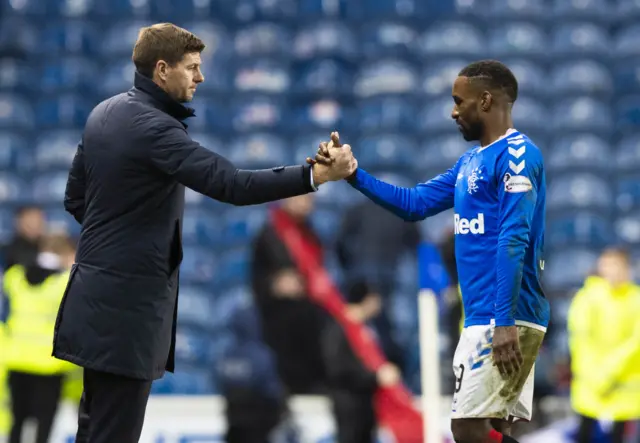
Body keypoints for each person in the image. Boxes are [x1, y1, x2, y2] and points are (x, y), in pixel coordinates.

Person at [51, 23, 356, 443]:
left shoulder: (103, 113)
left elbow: (75, 199)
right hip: (127, 312)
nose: (201, 77)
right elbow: (231, 184)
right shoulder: (155, 128)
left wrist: (117, 247)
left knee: (96, 429)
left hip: (94, 300)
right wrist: (314, 175)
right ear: (162, 70)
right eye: (192, 67)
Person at [311, 60, 549, 443]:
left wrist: (504, 322)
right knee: (492, 428)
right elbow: (415, 202)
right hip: (482, 316)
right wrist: (353, 173)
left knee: (467, 428)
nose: (453, 111)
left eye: (460, 101)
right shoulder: (470, 161)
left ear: (486, 100)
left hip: (506, 315)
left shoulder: (519, 154)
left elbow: (513, 238)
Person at [2, 233, 78, 443]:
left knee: (17, 421)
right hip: (48, 364)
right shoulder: (65, 282)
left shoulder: (15, 276)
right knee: (44, 425)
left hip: (17, 359)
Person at [250, 194, 328, 395]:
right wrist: (275, 285)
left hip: (309, 315)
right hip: (278, 317)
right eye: (300, 199)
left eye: (309, 200)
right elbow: (256, 279)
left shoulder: (311, 235)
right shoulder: (269, 235)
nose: (305, 204)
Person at [568, 248, 640, 443]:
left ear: (627, 268)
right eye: (607, 265)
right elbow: (580, 339)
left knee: (619, 437)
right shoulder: (586, 297)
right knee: (584, 433)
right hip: (590, 385)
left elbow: (636, 342)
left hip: (624, 388)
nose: (611, 270)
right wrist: (596, 375)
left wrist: (609, 371)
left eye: (617, 265)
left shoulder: (636, 298)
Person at [320, 280, 401, 443]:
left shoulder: (366, 329)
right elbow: (338, 369)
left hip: (366, 402)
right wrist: (374, 377)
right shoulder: (339, 329)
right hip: (348, 403)